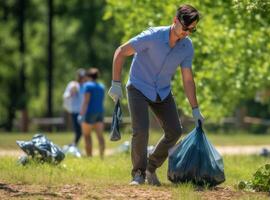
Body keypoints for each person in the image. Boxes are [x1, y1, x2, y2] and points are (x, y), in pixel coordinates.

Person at [108, 4, 204, 186]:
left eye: (193, 29)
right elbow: (121, 51)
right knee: (141, 130)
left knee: (175, 131)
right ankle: (138, 173)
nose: (188, 33)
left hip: (162, 90)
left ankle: (151, 167)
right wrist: (115, 83)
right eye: (185, 27)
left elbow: (188, 80)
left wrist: (195, 109)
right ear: (175, 21)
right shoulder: (152, 36)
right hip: (138, 87)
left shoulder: (186, 47)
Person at [79, 68, 106, 158]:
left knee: (87, 135)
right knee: (100, 135)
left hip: (90, 112)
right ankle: (102, 156)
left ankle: (89, 157)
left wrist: (81, 113)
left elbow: (86, 101)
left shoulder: (87, 86)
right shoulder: (101, 86)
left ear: (88, 76)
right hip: (100, 112)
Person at [63, 68, 86, 146]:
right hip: (75, 111)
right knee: (78, 131)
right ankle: (73, 146)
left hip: (83, 111)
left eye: (83, 76)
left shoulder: (85, 86)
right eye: (80, 76)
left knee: (82, 131)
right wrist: (71, 92)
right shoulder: (72, 84)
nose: (82, 78)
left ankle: (73, 145)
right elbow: (65, 96)